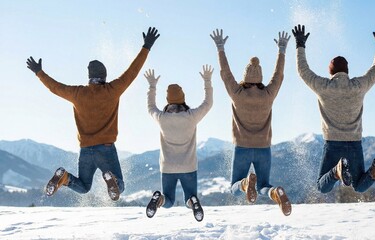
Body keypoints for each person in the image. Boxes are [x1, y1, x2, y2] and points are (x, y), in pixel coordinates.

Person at [26, 27, 160, 201]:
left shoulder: (78, 93)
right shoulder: (112, 90)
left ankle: (65, 177)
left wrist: (39, 72)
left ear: (89, 77)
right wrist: (146, 47)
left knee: (83, 186)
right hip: (106, 149)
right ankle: (112, 181)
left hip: (85, 150)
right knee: (120, 185)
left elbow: (55, 88)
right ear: (104, 76)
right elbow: (131, 72)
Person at [292, 24, 375, 194]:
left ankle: (336, 171)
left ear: (331, 72)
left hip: (333, 144)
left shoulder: (323, 87)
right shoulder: (358, 86)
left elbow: (303, 71)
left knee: (321, 186)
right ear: (347, 70)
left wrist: (300, 45)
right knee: (360, 186)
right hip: (354, 143)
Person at [210, 29, 292, 216]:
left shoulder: (237, 94)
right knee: (264, 185)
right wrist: (281, 50)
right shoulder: (268, 95)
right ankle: (273, 192)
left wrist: (220, 48)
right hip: (264, 148)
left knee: (234, 187)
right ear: (260, 77)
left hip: (242, 148)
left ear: (245, 76)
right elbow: (278, 75)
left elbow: (225, 73)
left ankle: (245, 183)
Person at [144, 65, 213, 222]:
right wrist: (207, 81)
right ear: (183, 98)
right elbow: (208, 103)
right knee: (190, 198)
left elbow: (150, 107)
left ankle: (158, 199)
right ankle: (193, 201)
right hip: (188, 167)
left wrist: (152, 86)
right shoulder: (191, 116)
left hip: (168, 167)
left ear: (168, 100)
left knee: (168, 200)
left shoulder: (162, 118)